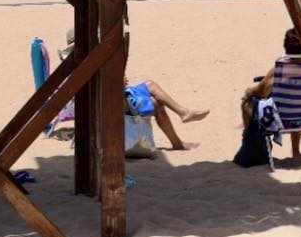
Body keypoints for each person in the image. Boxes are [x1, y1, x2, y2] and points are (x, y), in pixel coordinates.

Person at [64, 28, 208, 150]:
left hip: (116, 96)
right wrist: (120, 82)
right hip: (115, 105)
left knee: (150, 84)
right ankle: (178, 141)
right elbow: (105, 92)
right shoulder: (89, 66)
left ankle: (183, 113)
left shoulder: (79, 65)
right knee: (157, 104)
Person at [241, 27, 301, 160]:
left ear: (286, 46)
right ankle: (296, 151)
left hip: (283, 120)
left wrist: (248, 92)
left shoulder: (280, 70)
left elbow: (260, 91)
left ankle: (251, 147)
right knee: (296, 101)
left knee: (247, 103)